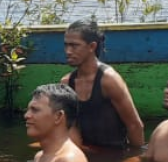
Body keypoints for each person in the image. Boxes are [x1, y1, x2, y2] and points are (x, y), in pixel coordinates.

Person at [61, 19, 145, 149]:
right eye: (66, 45)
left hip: (114, 155)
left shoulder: (109, 80)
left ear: (92, 47)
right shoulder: (67, 83)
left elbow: (134, 125)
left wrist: (134, 158)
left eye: (74, 45)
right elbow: (70, 125)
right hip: (85, 153)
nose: (68, 51)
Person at [26, 84, 92, 162]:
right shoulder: (40, 156)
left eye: (35, 110)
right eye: (28, 110)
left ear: (58, 116)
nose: (27, 115)